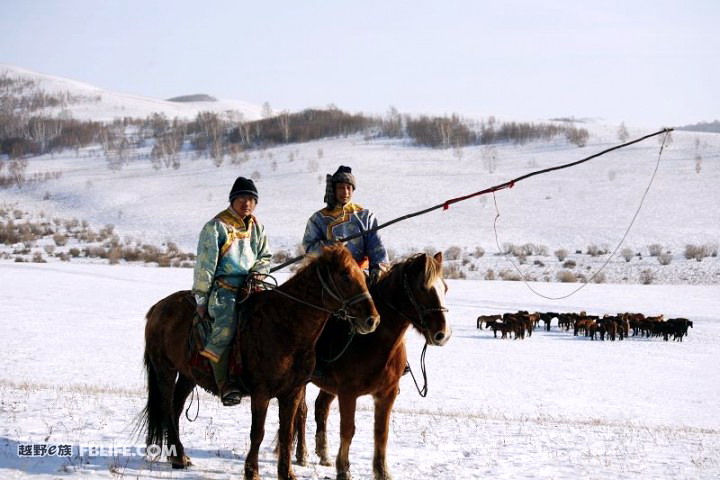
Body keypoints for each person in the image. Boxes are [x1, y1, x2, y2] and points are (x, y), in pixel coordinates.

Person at [192, 176, 271, 406]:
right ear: (233, 200)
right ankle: (224, 383)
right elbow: (205, 265)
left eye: (251, 199)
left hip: (252, 286)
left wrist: (257, 274)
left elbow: (265, 257)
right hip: (223, 290)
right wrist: (201, 297)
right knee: (226, 325)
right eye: (242, 198)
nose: (247, 202)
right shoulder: (216, 227)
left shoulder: (257, 227)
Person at [303, 165, 389, 285]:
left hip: (359, 277)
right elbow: (309, 247)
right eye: (341, 188)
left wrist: (378, 268)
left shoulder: (365, 216)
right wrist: (332, 247)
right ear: (334, 190)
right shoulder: (318, 219)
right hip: (327, 281)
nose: (345, 192)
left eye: (349, 188)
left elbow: (376, 246)